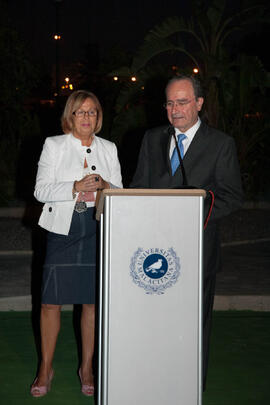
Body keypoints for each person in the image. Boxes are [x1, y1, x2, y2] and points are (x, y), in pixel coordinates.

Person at [130, 75, 243, 389]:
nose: (174, 109)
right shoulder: (152, 139)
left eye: (182, 102)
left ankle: (188, 385)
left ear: (199, 103)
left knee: (192, 323)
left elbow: (232, 198)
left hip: (197, 251)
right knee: (154, 319)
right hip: (152, 254)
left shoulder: (221, 144)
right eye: (169, 102)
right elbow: (138, 188)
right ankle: (151, 380)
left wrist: (189, 217)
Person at [31, 90, 123, 397]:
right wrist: (74, 186)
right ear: (70, 116)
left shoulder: (108, 148)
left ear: (99, 117)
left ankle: (87, 367)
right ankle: (45, 367)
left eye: (92, 112)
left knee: (92, 303)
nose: (87, 117)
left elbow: (121, 191)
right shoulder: (54, 145)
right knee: (50, 302)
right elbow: (40, 190)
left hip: (97, 229)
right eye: (81, 112)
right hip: (62, 231)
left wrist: (104, 185)